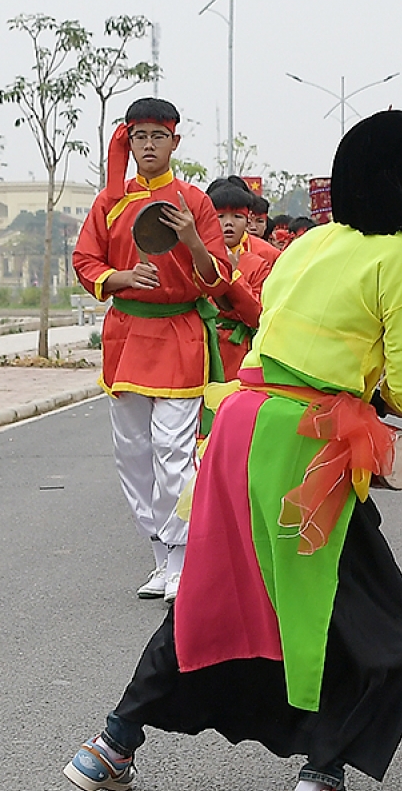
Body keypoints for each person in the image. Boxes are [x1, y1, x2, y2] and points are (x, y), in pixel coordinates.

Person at [64, 110, 402, 791]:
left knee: (217, 594)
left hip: (241, 423)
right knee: (378, 621)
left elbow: (282, 326)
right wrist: (391, 382)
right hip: (306, 443)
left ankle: (112, 743)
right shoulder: (400, 254)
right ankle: (323, 768)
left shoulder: (309, 243)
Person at [72, 97, 234, 604]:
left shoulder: (194, 202)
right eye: (139, 136)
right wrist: (122, 277)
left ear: (174, 143)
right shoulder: (110, 202)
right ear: (130, 140)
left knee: (173, 451)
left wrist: (191, 239)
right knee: (133, 454)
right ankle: (160, 556)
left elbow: (218, 278)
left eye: (157, 136)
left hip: (180, 334)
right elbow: (84, 262)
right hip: (126, 336)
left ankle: (183, 556)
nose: (147, 145)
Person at [207, 176, 280, 380]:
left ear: (247, 221)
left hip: (240, 352)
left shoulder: (259, 263)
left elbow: (258, 315)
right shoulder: (195, 257)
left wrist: (234, 275)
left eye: (237, 217)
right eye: (220, 216)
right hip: (201, 348)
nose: (228, 223)